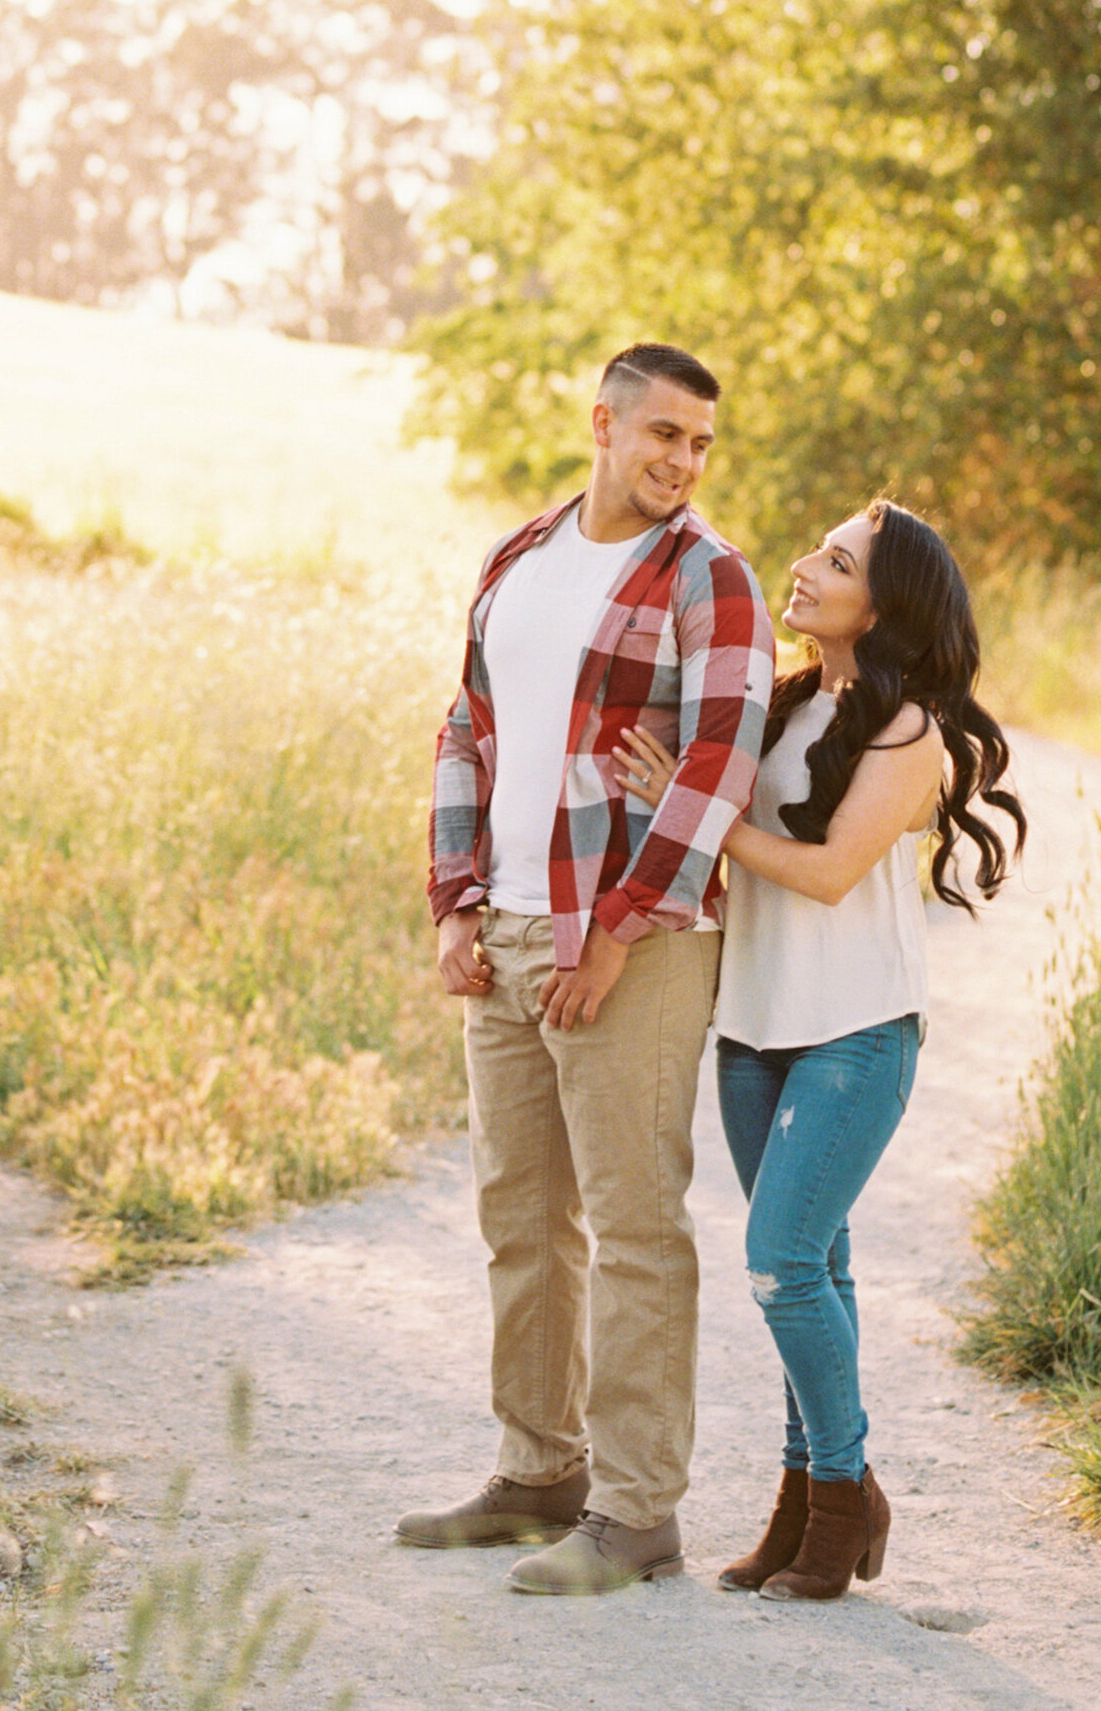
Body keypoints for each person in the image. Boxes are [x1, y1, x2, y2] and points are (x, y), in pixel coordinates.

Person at [396, 343, 775, 1597]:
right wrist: (454, 903)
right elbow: (469, 729)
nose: (681, 461)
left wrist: (613, 931)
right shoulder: (518, 560)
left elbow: (715, 769)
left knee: (630, 1224)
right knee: (520, 1215)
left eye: (701, 443)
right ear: (601, 423)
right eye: (663, 433)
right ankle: (537, 1469)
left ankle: (634, 1510)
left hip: (635, 943)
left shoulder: (711, 579)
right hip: (502, 931)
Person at [615, 497, 1025, 1602]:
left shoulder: (910, 731)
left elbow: (829, 869)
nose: (803, 566)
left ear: (881, 604)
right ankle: (805, 1500)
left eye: (836, 560)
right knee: (816, 1266)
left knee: (780, 1264)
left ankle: (842, 1497)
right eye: (818, 547)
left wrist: (693, 815)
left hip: (856, 1031)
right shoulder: (786, 702)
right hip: (751, 1027)